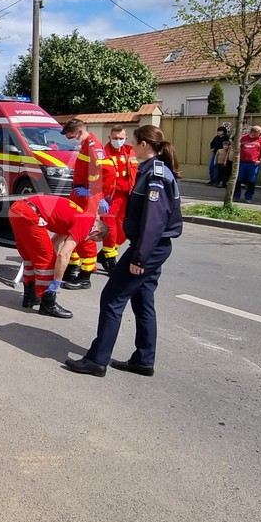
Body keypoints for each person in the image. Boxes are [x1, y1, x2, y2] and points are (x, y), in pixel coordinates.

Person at [65, 125, 183, 377]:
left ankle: (97, 360)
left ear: (143, 145)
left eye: (133, 141)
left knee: (112, 298)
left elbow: (154, 221)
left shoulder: (155, 175)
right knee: (142, 300)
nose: (127, 145)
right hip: (151, 246)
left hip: (148, 248)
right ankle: (143, 359)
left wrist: (140, 257)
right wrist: (109, 233)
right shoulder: (150, 170)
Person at [8, 194, 109, 319]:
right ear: (96, 231)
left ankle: (31, 297)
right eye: (92, 239)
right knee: (48, 260)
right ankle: (48, 304)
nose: (87, 239)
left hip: (18, 208)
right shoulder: (86, 223)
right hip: (29, 213)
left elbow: (53, 244)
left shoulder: (76, 217)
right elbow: (64, 254)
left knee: (31, 257)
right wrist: (56, 281)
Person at [60, 118, 107, 290]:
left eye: (71, 136)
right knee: (72, 232)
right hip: (79, 194)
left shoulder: (93, 146)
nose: (71, 140)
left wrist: (94, 194)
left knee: (85, 235)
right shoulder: (85, 144)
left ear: (79, 131)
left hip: (88, 197)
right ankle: (72, 268)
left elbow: (102, 174)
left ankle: (85, 276)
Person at [97, 125, 138, 274]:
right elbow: (95, 178)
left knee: (123, 230)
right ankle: (110, 260)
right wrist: (100, 198)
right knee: (110, 229)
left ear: (126, 139)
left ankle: (104, 254)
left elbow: (135, 173)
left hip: (126, 197)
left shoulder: (130, 151)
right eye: (115, 138)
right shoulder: (102, 153)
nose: (118, 141)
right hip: (109, 198)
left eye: (121, 138)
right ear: (109, 138)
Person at [233, 125, 261, 202]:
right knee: (238, 179)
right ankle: (236, 196)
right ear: (253, 132)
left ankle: (248, 197)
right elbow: (235, 148)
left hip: (253, 163)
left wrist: (260, 160)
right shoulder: (243, 138)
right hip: (241, 162)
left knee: (251, 181)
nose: (260, 135)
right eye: (259, 133)